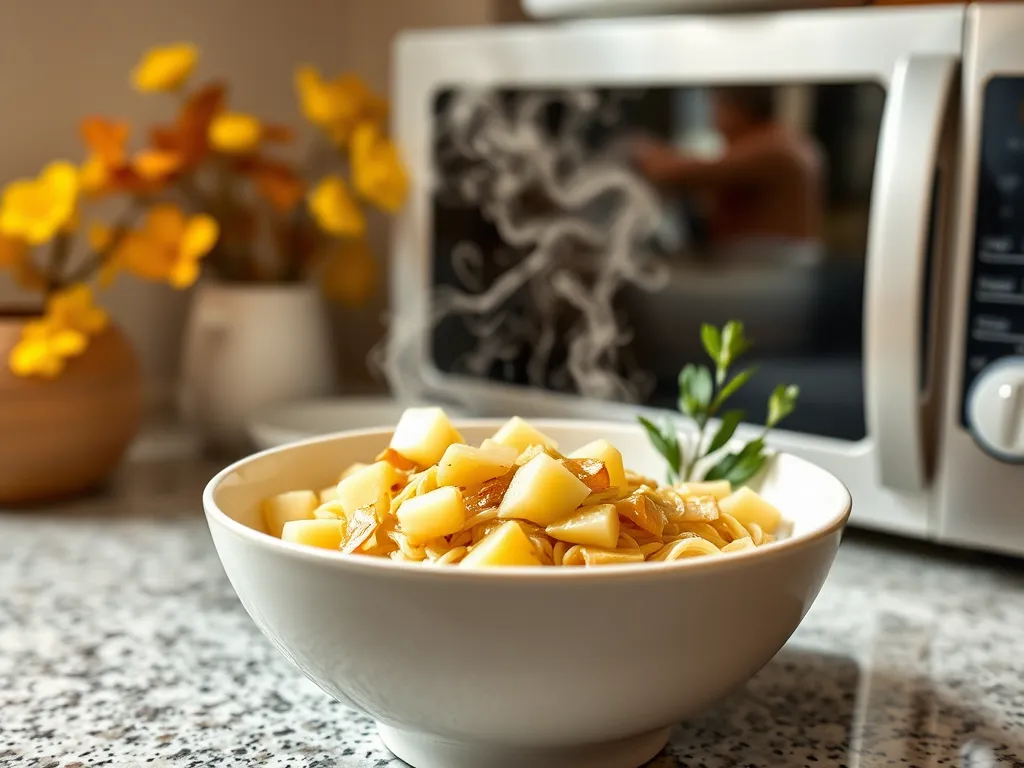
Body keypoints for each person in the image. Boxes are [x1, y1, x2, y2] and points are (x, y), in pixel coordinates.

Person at [631, 86, 824, 261]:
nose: (714, 120)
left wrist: (640, 150)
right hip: (763, 263)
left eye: (716, 107)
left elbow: (675, 172)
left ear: (734, 107)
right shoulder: (773, 142)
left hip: (773, 267)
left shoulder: (775, 147)